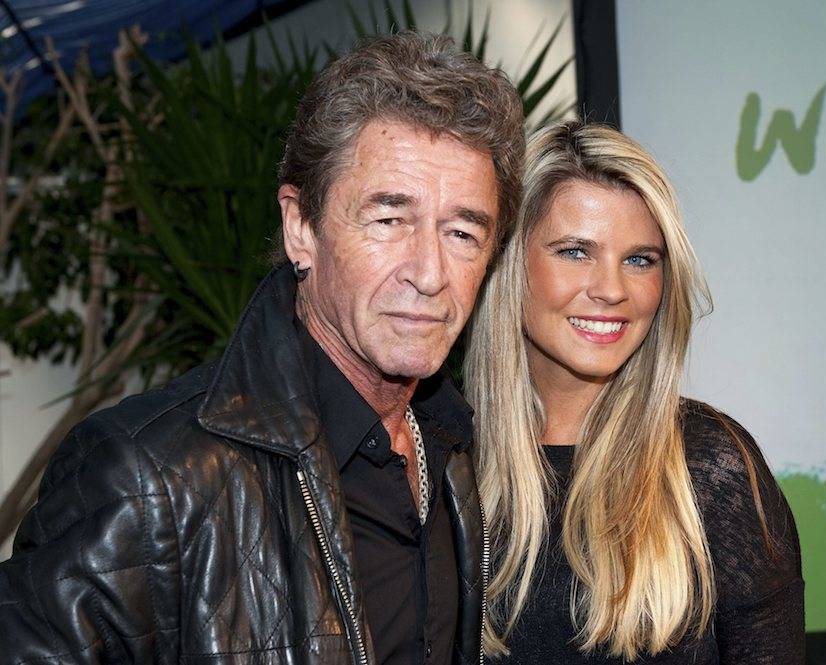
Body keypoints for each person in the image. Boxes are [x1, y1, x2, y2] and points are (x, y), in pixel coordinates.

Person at [0, 32, 524, 665]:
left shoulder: (459, 450)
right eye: (389, 220)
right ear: (300, 227)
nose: (430, 272)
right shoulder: (145, 476)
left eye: (463, 232)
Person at [464, 121, 805, 664]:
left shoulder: (709, 465)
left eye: (640, 259)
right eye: (575, 252)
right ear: (508, 262)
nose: (612, 289)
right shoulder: (441, 455)